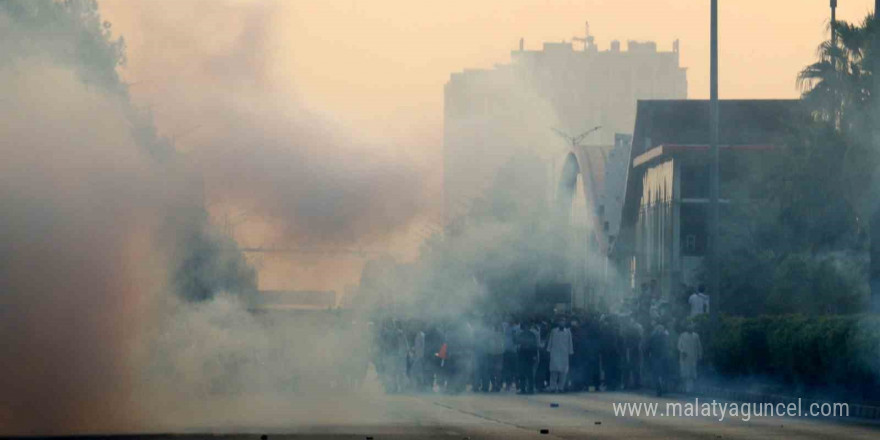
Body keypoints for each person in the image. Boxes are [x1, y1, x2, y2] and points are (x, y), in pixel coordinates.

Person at [546, 320, 574, 392]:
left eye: (563, 321)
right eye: (560, 321)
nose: (562, 323)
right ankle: (552, 387)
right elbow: (550, 341)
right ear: (558, 323)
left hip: (564, 354)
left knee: (563, 372)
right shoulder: (554, 331)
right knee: (553, 372)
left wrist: (570, 352)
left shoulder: (568, 332)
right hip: (554, 353)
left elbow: (570, 343)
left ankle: (561, 387)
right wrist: (548, 350)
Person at [516, 320, 539, 394]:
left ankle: (531, 389)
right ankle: (523, 389)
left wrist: (535, 355)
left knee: (530, 373)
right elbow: (518, 344)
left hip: (530, 355)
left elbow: (535, 346)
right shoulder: (521, 334)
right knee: (522, 373)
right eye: (525, 326)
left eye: (527, 326)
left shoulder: (532, 335)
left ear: (529, 327)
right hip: (522, 355)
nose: (526, 327)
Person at [677, 324, 703, 393]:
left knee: (692, 374)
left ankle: (690, 389)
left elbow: (699, 346)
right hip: (684, 357)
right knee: (684, 373)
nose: (690, 329)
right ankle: (684, 388)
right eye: (689, 328)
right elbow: (679, 345)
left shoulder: (696, 336)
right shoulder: (682, 335)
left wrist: (700, 354)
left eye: (692, 328)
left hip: (693, 357)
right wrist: (683, 351)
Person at [647, 323, 670, 397]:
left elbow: (649, 346)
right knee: (661, 374)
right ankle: (661, 389)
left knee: (658, 374)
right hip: (659, 357)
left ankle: (660, 389)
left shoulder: (654, 336)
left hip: (657, 357)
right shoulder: (664, 336)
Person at [487, 323, 505, 392]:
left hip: (494, 354)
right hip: (498, 354)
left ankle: (495, 385)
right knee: (497, 371)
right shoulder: (501, 335)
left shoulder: (492, 335)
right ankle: (496, 385)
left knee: (492, 371)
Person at [502, 319, 520, 391]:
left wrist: (514, 335)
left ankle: (518, 385)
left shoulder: (517, 328)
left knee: (515, 369)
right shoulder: (505, 326)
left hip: (514, 352)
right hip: (506, 351)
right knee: (507, 369)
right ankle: (508, 385)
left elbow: (517, 341)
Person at [411, 325, 427, 391]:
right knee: (417, 371)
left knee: (417, 371)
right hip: (417, 355)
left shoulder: (421, 335)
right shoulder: (418, 334)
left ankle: (421, 385)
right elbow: (417, 345)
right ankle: (419, 385)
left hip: (420, 356)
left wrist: (421, 356)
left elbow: (423, 346)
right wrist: (413, 349)